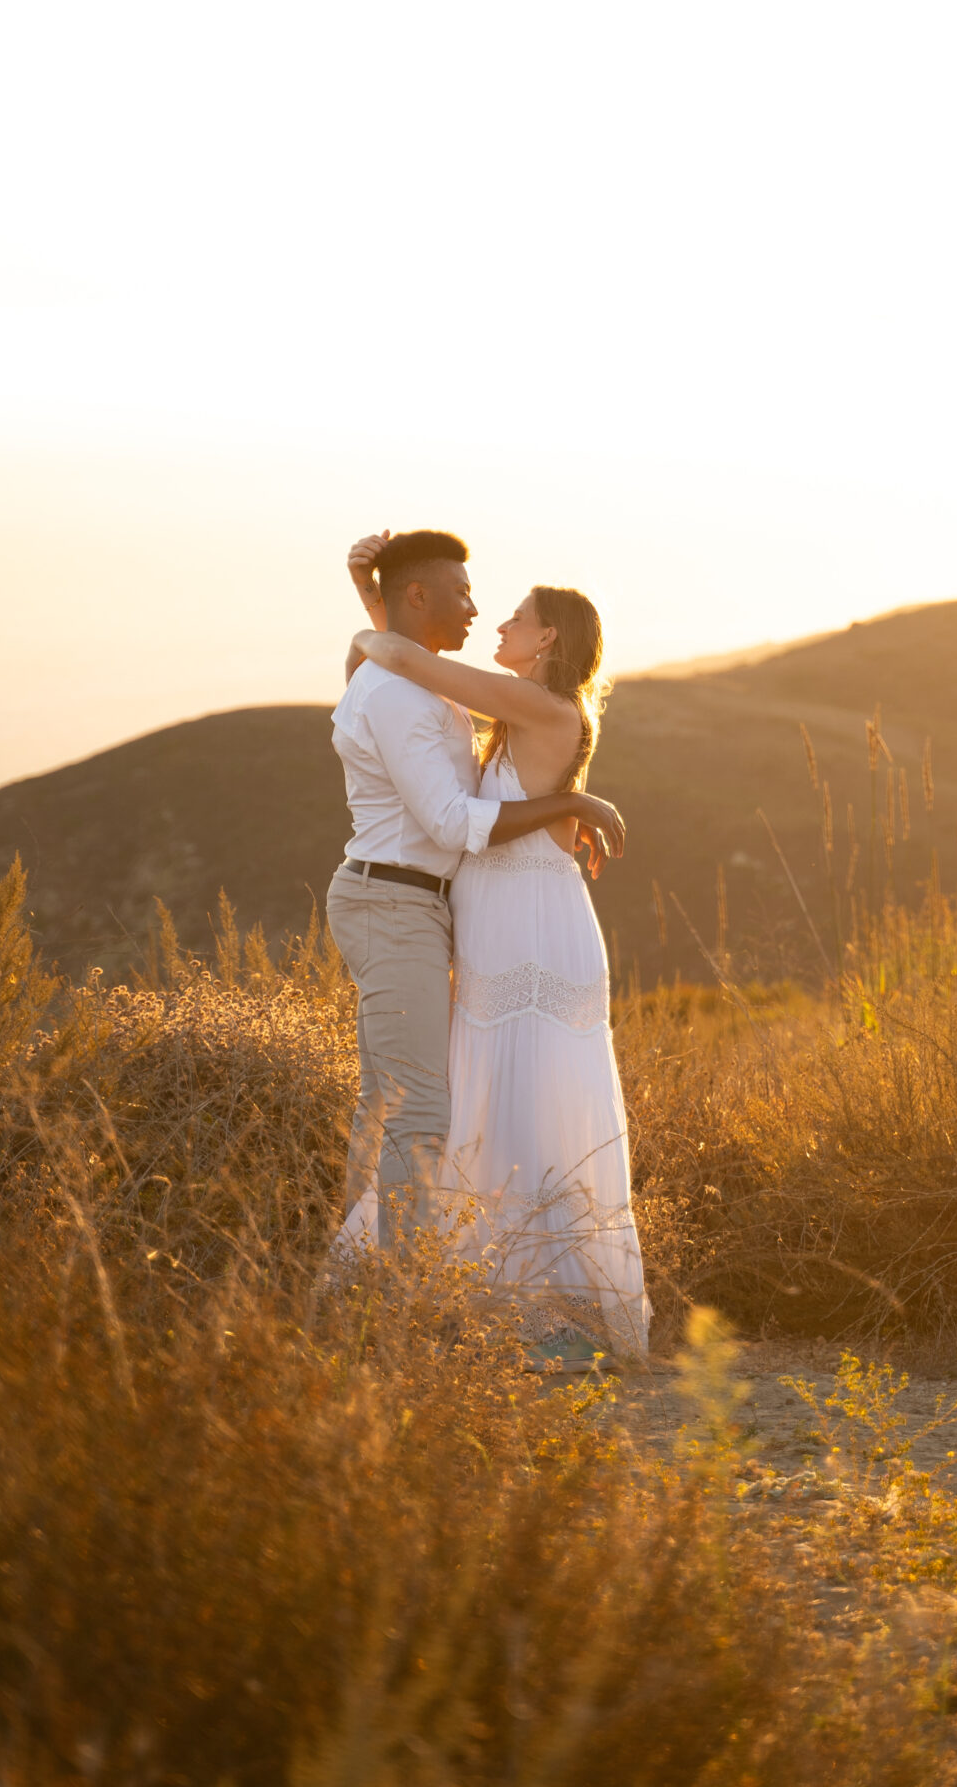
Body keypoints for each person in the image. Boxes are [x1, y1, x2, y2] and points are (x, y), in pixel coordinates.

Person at [344, 529, 653, 1363]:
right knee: (493, 1094)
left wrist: (368, 622)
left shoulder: (542, 706)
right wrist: (373, 595)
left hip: (530, 928)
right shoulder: (531, 712)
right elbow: (411, 657)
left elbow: (409, 660)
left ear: (548, 638)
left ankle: (540, 1306)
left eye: (514, 618)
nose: (496, 624)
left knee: (525, 1101)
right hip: (504, 919)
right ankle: (491, 1288)